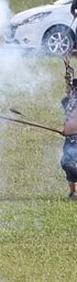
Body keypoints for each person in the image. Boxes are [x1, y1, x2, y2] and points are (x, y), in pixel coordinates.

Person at [61, 59, 77, 199]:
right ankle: (73, 193)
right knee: (66, 164)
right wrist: (68, 70)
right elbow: (69, 82)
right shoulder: (69, 101)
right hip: (69, 138)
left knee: (70, 164)